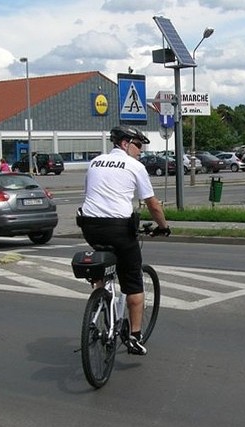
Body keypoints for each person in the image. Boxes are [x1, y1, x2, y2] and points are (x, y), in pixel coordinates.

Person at [78, 125, 171, 355]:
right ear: (124, 144)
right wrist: (164, 227)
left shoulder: (95, 162)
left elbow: (91, 193)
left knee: (104, 264)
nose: (140, 150)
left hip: (89, 226)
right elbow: (152, 204)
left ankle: (100, 295)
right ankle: (134, 337)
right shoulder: (135, 166)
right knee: (133, 282)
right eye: (138, 145)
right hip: (118, 229)